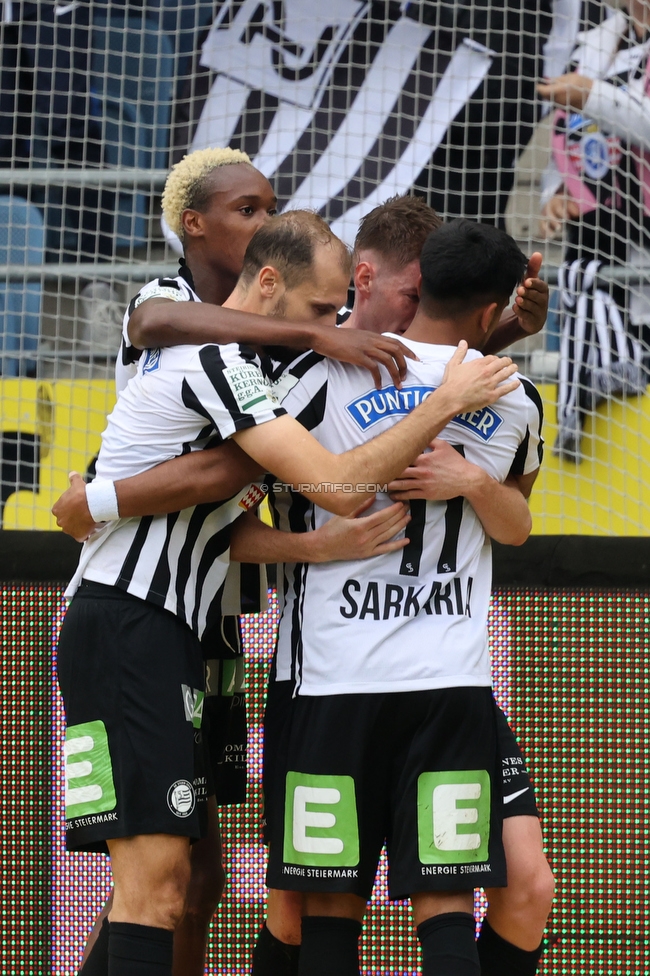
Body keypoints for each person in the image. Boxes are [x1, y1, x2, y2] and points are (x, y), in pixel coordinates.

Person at [55, 193, 553, 976]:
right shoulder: (240, 357)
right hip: (171, 632)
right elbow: (281, 474)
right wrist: (101, 500)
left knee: (173, 881)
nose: (339, 319)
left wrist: (496, 352)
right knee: (182, 889)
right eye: (328, 307)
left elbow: (226, 491)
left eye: (340, 307)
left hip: (193, 633)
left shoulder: (492, 392)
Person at [255, 218, 543, 976]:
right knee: (445, 906)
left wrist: (473, 482)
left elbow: (513, 522)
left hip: (353, 685)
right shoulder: (513, 398)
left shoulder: (313, 379)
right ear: (491, 313)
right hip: (408, 685)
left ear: (415, 283)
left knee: (328, 912)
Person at [538, 0, 650, 460]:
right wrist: (555, 193)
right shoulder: (594, 42)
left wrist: (593, 96)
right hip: (593, 241)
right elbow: (569, 133)